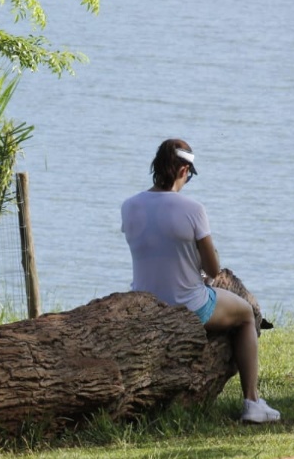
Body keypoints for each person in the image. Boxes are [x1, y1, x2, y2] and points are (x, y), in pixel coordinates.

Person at [120, 139, 280, 424]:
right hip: (187, 305)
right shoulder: (193, 209)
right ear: (184, 170)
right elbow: (213, 268)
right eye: (190, 175)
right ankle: (252, 402)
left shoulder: (129, 206)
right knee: (245, 313)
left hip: (145, 305)